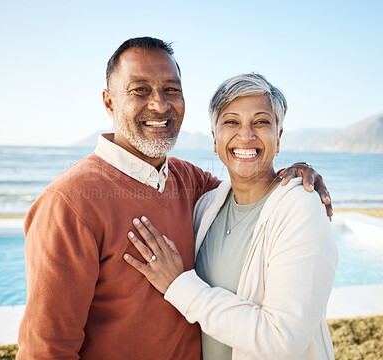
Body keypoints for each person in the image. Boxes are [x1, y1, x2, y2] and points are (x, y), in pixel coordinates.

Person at [17, 37, 331, 360]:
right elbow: (46, 350)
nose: (160, 104)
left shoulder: (191, 183)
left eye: (171, 89)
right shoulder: (69, 202)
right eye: (140, 89)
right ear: (109, 102)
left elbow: (250, 184)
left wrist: (297, 173)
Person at [124, 73, 337, 360]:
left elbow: (282, 339)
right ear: (215, 140)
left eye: (261, 122)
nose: (246, 135)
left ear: (279, 136)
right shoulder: (207, 206)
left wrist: (179, 286)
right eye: (231, 122)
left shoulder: (301, 208)